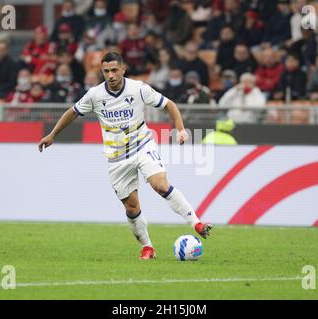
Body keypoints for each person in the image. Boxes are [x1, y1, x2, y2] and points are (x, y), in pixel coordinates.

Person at [38, 52, 212, 260]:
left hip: (142, 145)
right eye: (106, 71)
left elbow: (169, 105)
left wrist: (181, 129)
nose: (110, 75)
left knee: (160, 185)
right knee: (131, 207)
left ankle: (197, 223)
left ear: (123, 69)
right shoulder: (95, 95)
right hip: (117, 157)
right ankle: (148, 247)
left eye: (114, 70)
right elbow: (73, 112)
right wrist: (52, 134)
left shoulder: (138, 88)